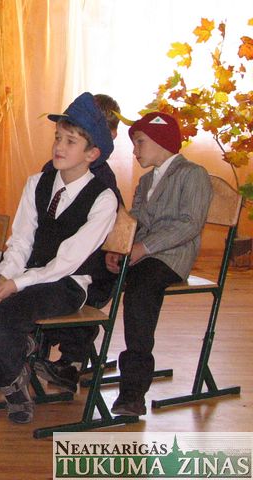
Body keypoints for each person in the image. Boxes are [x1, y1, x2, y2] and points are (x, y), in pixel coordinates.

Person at [0, 92, 118, 424]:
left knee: (2, 317)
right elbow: (21, 239)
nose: (59, 147)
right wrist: (3, 278)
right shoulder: (37, 182)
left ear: (92, 153)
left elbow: (67, 261)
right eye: (57, 138)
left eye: (70, 141)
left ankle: (17, 368)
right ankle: (9, 381)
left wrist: (16, 285)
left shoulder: (103, 198)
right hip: (24, 275)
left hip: (66, 284)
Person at [106, 111, 212, 416]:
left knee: (140, 289)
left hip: (171, 257)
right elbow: (136, 219)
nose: (135, 150)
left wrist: (143, 248)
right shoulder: (146, 180)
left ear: (162, 141)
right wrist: (118, 247)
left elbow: (190, 224)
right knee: (95, 272)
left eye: (140, 142)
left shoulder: (193, 174)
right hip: (142, 254)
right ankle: (73, 355)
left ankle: (133, 391)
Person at [34, 93, 123, 392]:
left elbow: (114, 227)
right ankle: (27, 349)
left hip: (89, 266)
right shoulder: (51, 171)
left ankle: (70, 362)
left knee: (81, 286)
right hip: (52, 259)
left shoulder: (103, 181)